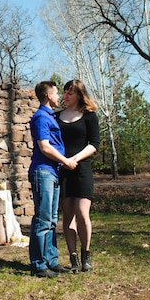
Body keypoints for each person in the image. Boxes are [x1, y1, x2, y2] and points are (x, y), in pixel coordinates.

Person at [28, 81, 77, 278]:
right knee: (43, 219)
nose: (59, 97)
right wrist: (65, 161)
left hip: (53, 173)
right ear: (48, 95)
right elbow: (45, 147)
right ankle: (39, 265)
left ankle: (51, 260)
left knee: (52, 220)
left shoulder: (50, 117)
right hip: (44, 172)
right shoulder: (41, 117)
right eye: (57, 93)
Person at [57, 79, 100, 273]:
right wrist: (63, 161)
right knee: (68, 216)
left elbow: (94, 143)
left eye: (70, 93)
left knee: (82, 213)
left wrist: (75, 158)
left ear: (79, 95)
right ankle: (73, 257)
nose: (65, 96)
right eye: (64, 92)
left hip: (82, 169)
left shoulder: (89, 116)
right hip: (63, 171)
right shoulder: (56, 116)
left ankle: (86, 254)